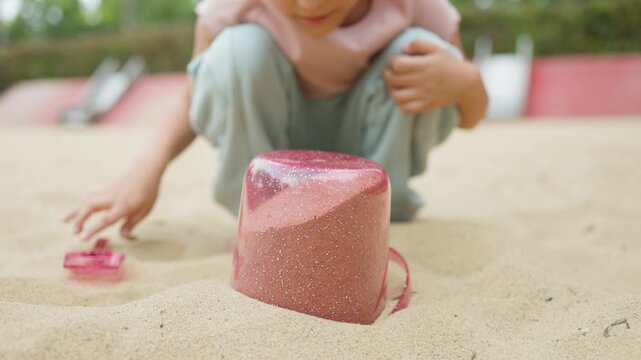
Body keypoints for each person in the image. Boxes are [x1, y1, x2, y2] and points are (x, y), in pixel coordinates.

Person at [63, 0, 488, 241]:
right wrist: (146, 170)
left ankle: (374, 218)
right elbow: (196, 91)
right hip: (272, 148)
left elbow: (471, 115)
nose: (309, 4)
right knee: (234, 52)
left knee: (426, 51)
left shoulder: (417, 5)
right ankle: (264, 217)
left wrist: (467, 84)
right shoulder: (233, 6)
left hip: (367, 150)